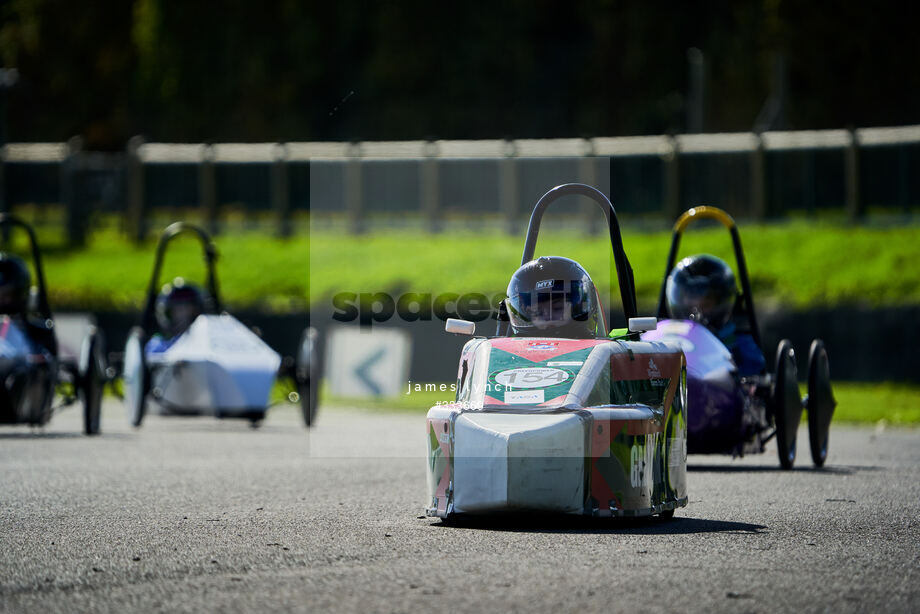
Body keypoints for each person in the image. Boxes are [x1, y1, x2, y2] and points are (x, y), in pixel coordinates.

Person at [666, 254, 765, 376]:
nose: (697, 314)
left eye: (705, 305)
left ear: (720, 303)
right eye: (692, 304)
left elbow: (754, 375)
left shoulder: (739, 347)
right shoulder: (666, 341)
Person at [505, 256, 599, 338]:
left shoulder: (608, 348)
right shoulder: (509, 349)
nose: (548, 317)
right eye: (538, 312)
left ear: (576, 308)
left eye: (557, 308)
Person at [145, 278, 206, 352]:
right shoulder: (158, 343)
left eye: (187, 307)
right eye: (178, 308)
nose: (183, 312)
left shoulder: (205, 342)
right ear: (169, 313)